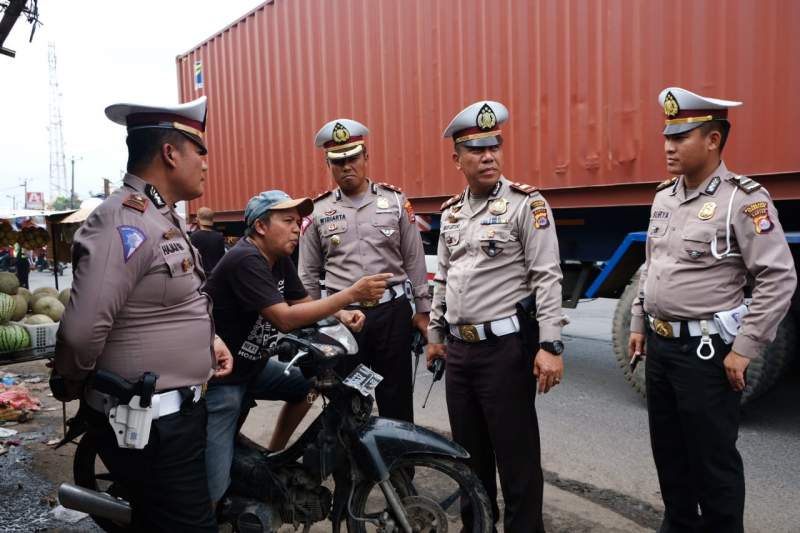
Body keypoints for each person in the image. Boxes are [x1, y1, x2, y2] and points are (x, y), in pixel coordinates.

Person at [53, 95, 233, 532]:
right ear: (170, 154)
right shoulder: (123, 221)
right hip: (151, 425)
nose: (206, 164)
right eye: (199, 151)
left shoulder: (158, 216)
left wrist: (208, 341)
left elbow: (160, 299)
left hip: (171, 419)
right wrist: (74, 383)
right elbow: (81, 332)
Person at [628, 87, 797, 533]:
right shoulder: (664, 197)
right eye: (666, 136)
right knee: (670, 456)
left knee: (713, 462)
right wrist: (638, 321)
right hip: (662, 350)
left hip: (706, 354)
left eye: (681, 137)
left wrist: (744, 348)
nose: (668, 146)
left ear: (713, 140)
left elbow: (778, 277)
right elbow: (653, 266)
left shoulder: (744, 200)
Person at [427, 100, 567, 532]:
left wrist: (550, 345)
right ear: (458, 159)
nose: (488, 157)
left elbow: (547, 278)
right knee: (469, 457)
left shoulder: (528, 204)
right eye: (476, 150)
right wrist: (435, 332)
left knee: (517, 459)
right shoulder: (451, 213)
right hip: (459, 352)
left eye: (494, 147)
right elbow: (443, 278)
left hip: (505, 352)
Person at [204, 189, 391, 505]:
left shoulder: (278, 259)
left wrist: (341, 314)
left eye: (298, 221)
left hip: (254, 367)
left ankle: (272, 454)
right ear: (261, 226)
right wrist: (349, 294)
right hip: (223, 381)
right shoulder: (245, 259)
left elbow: (301, 300)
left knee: (307, 387)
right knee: (213, 488)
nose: (297, 228)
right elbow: (286, 319)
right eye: (288, 221)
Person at [298, 118, 430, 424]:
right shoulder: (317, 212)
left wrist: (423, 311)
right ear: (328, 164)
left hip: (392, 316)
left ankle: (400, 470)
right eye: (338, 160)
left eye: (353, 157)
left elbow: (415, 260)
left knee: (395, 397)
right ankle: (352, 470)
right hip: (342, 319)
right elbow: (307, 274)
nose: (346, 166)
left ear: (366, 157)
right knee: (346, 400)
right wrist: (314, 322)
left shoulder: (395, 202)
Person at [190, 206, 226, 272]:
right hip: (215, 275)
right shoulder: (219, 237)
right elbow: (222, 258)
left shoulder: (194, 236)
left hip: (200, 275)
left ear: (198, 220)